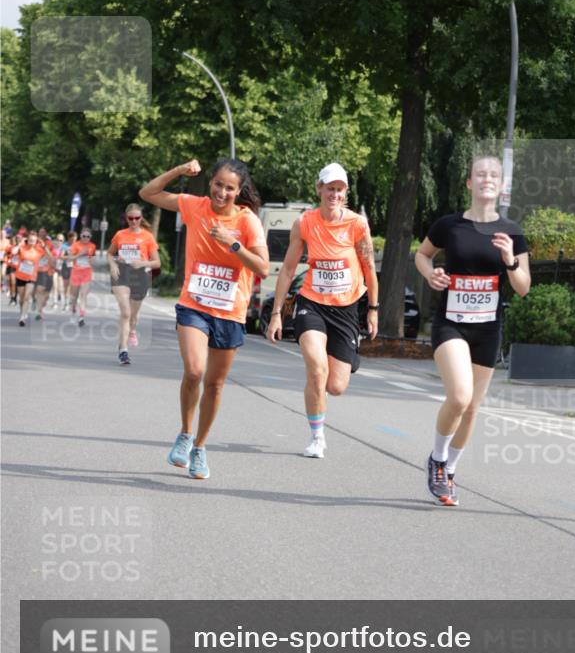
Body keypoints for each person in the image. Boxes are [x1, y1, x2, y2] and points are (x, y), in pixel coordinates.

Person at [139, 158, 269, 480]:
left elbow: (263, 268)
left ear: (239, 191)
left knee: (215, 384)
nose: (222, 192)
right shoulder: (193, 206)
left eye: (230, 188)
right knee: (195, 371)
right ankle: (185, 434)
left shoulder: (248, 221)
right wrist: (180, 171)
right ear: (210, 182)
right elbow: (148, 193)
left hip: (230, 311)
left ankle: (200, 446)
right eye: (218, 184)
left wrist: (233, 243)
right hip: (194, 304)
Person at [415, 155, 531, 506]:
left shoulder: (511, 231)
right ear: (469, 183)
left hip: (487, 327)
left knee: (472, 409)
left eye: (493, 174)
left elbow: (524, 286)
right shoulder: (449, 225)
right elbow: (422, 255)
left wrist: (510, 260)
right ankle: (436, 459)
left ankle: (449, 470)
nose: (486, 179)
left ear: (501, 185)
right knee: (460, 396)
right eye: (480, 173)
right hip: (451, 322)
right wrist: (430, 273)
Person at [268, 163, 378, 459]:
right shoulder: (304, 223)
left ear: (346, 192)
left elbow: (369, 268)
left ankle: (319, 385)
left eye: (340, 189)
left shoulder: (357, 224)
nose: (335, 194)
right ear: (319, 189)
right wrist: (277, 312)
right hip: (312, 303)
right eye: (330, 188)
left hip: (346, 308)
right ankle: (317, 437)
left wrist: (373, 309)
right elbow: (289, 269)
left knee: (336, 386)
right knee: (317, 369)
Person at [107, 204, 161, 365]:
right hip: (122, 274)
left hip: (140, 276)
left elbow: (157, 263)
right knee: (125, 312)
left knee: (133, 315)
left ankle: (132, 329)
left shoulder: (148, 237)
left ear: (141, 218)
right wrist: (113, 264)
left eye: (137, 218)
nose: (134, 221)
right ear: (126, 218)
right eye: (130, 218)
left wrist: (143, 263)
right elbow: (110, 254)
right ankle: (123, 350)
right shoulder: (120, 235)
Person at [15, 232, 52, 326]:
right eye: (30, 240)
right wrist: (20, 244)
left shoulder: (39, 250)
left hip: (31, 277)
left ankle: (23, 317)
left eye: (34, 241)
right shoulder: (23, 247)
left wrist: (44, 246)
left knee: (27, 297)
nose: (32, 242)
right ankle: (23, 312)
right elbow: (13, 252)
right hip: (20, 276)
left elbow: (50, 256)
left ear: (36, 242)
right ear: (27, 240)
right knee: (22, 299)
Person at [65, 229, 96, 326]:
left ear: (90, 237)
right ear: (81, 236)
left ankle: (81, 316)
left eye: (88, 237)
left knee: (83, 295)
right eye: (84, 236)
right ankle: (73, 311)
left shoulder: (92, 246)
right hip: (76, 273)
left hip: (86, 273)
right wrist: (80, 254)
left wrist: (89, 257)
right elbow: (70, 258)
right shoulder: (75, 245)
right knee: (74, 296)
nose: (86, 238)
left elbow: (92, 262)